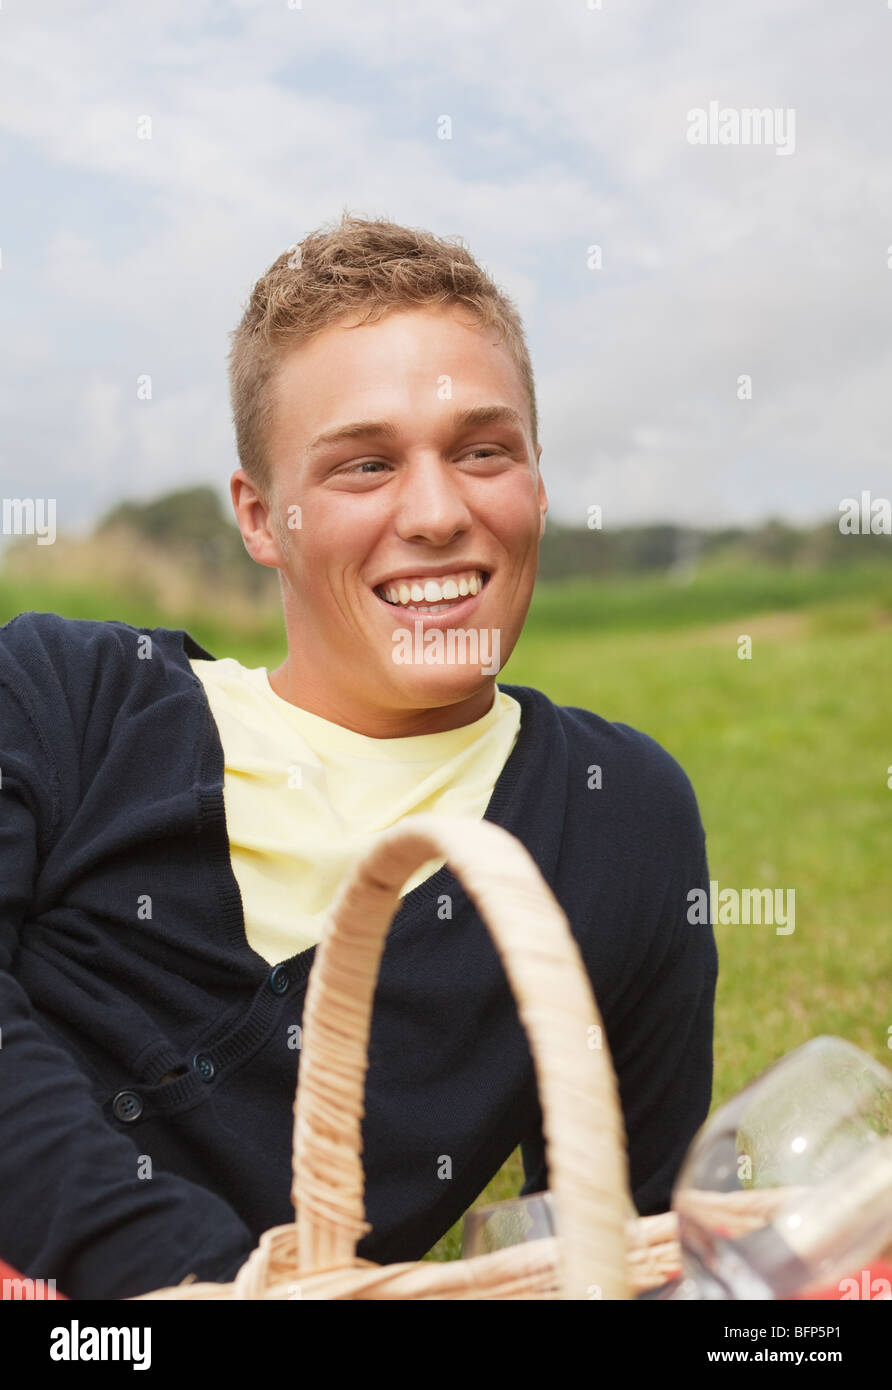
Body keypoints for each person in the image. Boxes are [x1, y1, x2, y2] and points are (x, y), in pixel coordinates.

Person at [0, 212, 718, 1299]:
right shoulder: (62, 695)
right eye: (364, 465)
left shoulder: (617, 812)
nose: (436, 513)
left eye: (483, 450)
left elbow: (634, 1244)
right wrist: (183, 1274)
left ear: (535, 479)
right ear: (259, 516)